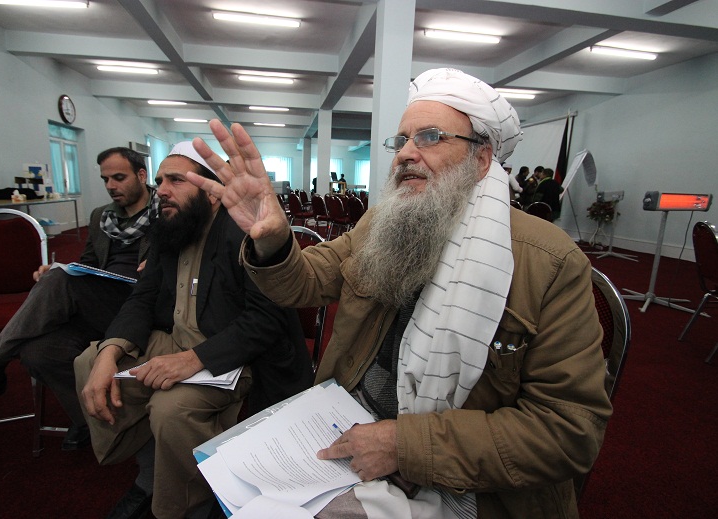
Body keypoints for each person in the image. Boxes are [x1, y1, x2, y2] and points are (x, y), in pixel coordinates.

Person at [188, 68, 612, 518]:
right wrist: (273, 239)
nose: (406, 153)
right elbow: (306, 281)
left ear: (482, 159)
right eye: (402, 140)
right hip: (346, 423)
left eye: (430, 137)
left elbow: (570, 431)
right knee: (235, 481)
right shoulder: (382, 223)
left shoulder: (550, 262)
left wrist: (403, 445)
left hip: (461, 480)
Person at [75, 142, 313, 519]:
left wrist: (193, 360)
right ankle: (150, 474)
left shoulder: (243, 233)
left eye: (176, 180)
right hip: (179, 342)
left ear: (212, 192)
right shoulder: (172, 228)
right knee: (91, 361)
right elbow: (142, 297)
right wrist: (110, 351)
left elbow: (265, 321)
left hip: (239, 356)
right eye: (159, 181)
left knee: (171, 410)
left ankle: (191, 504)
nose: (162, 190)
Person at [0, 147, 156, 450]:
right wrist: (65, 270)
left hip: (140, 304)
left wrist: (156, 266)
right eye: (105, 179)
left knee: (58, 281)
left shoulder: (166, 212)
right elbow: (89, 263)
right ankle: (89, 418)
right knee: (38, 351)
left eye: (119, 178)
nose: (110, 186)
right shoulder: (101, 216)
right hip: (100, 303)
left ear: (141, 175)